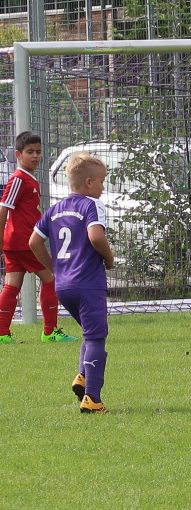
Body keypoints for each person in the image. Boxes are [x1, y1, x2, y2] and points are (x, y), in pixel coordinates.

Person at [29, 152, 114, 414]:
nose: (102, 187)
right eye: (101, 181)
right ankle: (92, 399)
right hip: (88, 283)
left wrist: (54, 267)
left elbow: (33, 241)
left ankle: (83, 376)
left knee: (89, 334)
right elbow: (96, 237)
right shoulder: (90, 205)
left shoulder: (54, 209)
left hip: (63, 285)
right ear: (89, 182)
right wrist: (109, 259)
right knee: (97, 337)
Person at [0, 131, 77, 345]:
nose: (35, 156)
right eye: (30, 152)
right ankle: (50, 331)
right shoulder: (18, 179)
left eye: (38, 152)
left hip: (16, 242)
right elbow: (3, 209)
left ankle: (2, 333)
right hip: (24, 242)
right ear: (18, 154)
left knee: (11, 285)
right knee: (52, 279)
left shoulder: (28, 178)